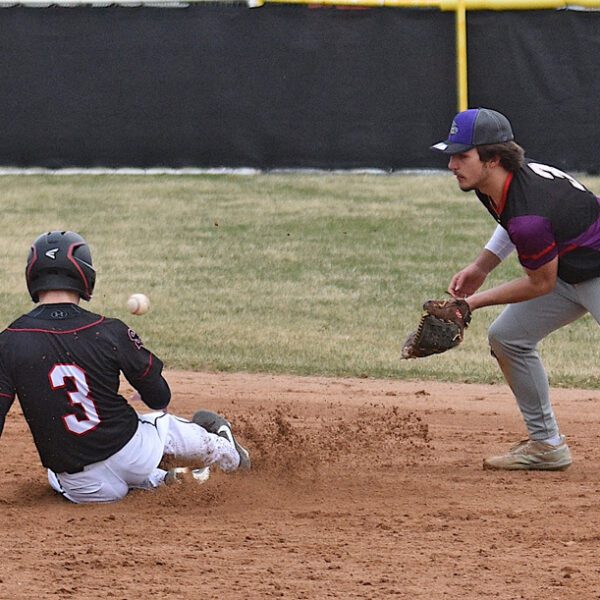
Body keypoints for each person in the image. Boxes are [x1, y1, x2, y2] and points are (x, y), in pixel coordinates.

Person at [0, 230, 250, 503]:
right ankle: (230, 457)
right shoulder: (108, 331)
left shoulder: (9, 341)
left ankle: (160, 481)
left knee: (57, 475)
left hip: (85, 487)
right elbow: (160, 397)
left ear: (32, 277)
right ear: (85, 275)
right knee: (159, 422)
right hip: (135, 453)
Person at [431, 107, 600, 471]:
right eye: (452, 156)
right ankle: (546, 445)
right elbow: (512, 222)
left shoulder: (530, 212)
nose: (452, 166)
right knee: (508, 337)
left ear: (492, 159)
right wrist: (481, 266)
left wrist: (470, 304)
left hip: (591, 271)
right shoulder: (497, 183)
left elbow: (541, 282)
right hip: (574, 268)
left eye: (462, 156)